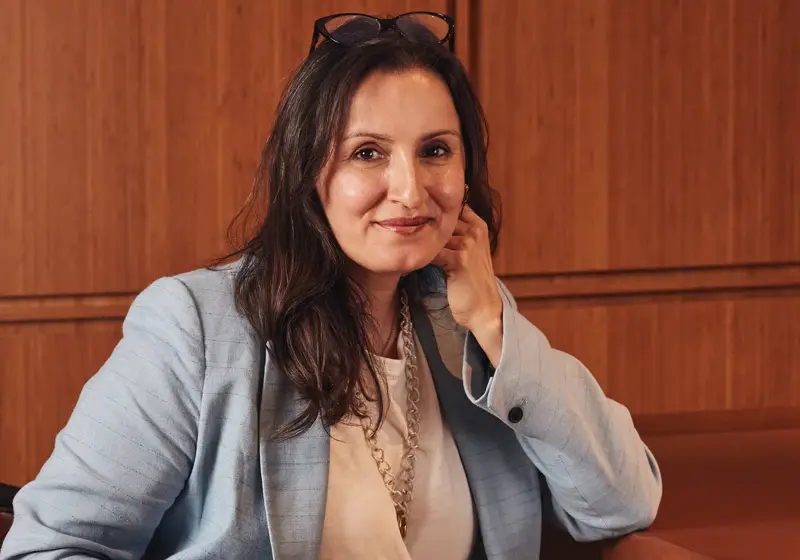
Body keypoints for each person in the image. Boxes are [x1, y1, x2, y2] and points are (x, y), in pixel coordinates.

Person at [0, 12, 661, 560]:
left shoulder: (475, 325)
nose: (409, 190)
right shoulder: (195, 327)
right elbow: (49, 547)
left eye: (435, 150)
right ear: (311, 171)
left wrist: (495, 329)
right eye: (367, 153)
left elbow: (620, 503)